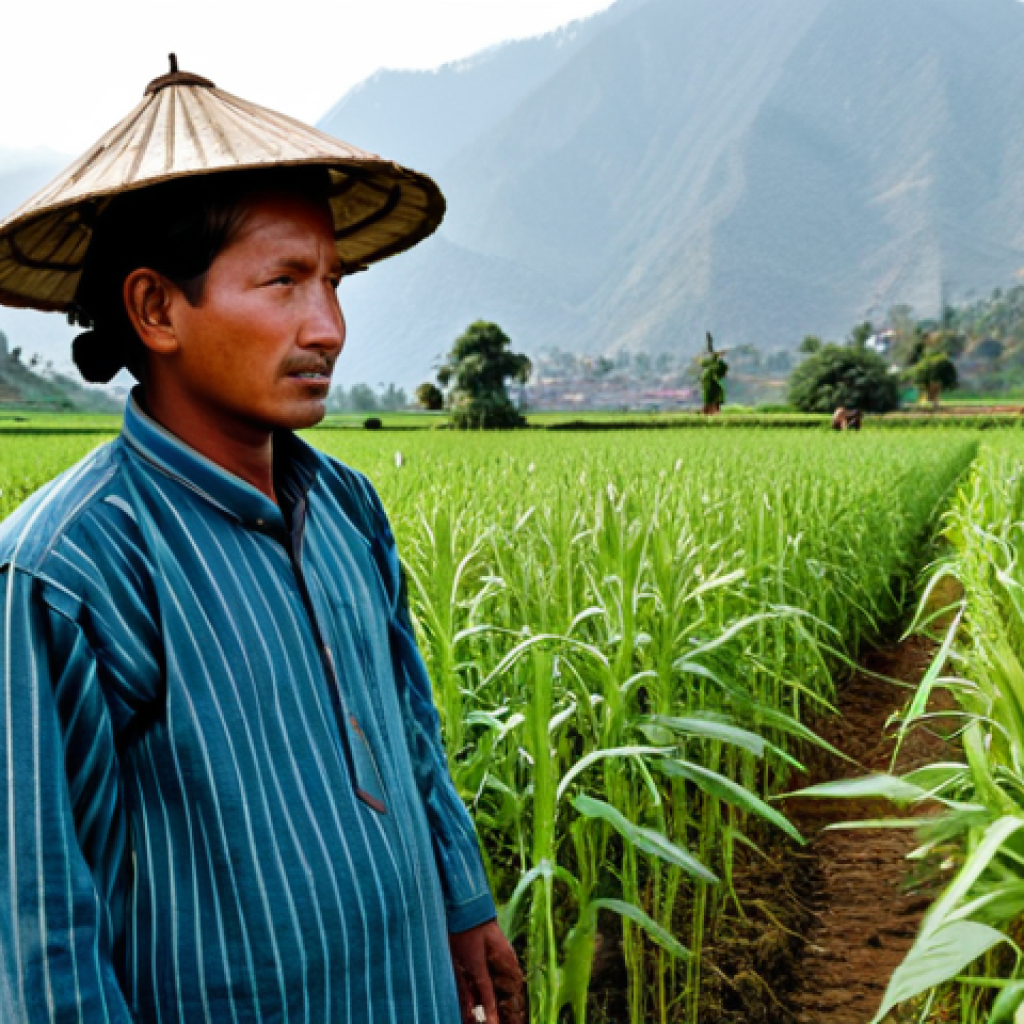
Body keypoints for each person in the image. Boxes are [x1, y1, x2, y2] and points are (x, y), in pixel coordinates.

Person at [0, 60, 523, 1024]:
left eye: (332, 282)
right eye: (284, 283)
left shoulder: (349, 509)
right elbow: (41, 927)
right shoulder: (68, 568)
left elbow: (409, 733)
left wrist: (463, 902)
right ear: (157, 309)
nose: (327, 327)